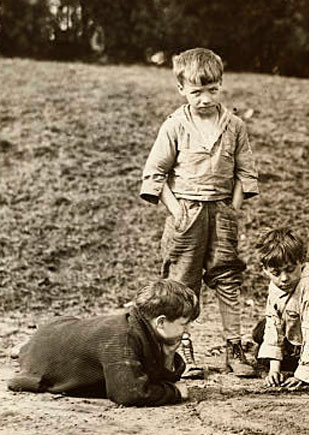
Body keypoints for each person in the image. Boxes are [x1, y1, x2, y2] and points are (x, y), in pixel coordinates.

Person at [140, 47, 259, 378]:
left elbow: (245, 173)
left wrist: (232, 210)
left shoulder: (234, 126)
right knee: (182, 286)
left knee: (228, 279)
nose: (205, 99)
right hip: (186, 213)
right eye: (196, 92)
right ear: (181, 89)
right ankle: (183, 352)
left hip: (221, 213)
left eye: (212, 90)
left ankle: (234, 349)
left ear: (221, 85)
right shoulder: (174, 126)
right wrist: (177, 211)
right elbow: (154, 175)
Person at [7, 280, 199, 407]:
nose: (188, 329)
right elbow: (129, 393)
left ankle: (25, 346)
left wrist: (167, 356)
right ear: (161, 322)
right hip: (46, 347)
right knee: (40, 347)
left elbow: (151, 376)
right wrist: (173, 392)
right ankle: (25, 347)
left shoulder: (139, 327)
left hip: (60, 331)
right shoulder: (123, 336)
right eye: (184, 323)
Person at [252, 228, 309, 388]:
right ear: (265, 270)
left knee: (263, 354)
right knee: (261, 331)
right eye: (276, 272)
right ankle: (283, 361)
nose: (284, 278)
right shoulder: (276, 285)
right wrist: (274, 369)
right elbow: (273, 325)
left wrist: (303, 374)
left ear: (301, 262)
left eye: (290, 270)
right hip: (296, 335)